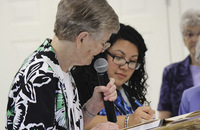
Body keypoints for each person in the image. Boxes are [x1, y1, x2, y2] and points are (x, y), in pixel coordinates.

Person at [5, 0, 120, 129]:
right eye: (102, 43)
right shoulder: (40, 77)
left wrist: (92, 107)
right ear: (82, 39)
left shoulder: (61, 69)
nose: (102, 49)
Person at [71, 23, 155, 129]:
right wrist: (128, 120)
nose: (125, 67)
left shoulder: (129, 93)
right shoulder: (77, 85)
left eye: (133, 61)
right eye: (119, 57)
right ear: (101, 53)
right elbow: (75, 121)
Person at [157, 8, 200, 119]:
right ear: (183, 39)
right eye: (189, 34)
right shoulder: (171, 72)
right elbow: (164, 117)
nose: (195, 39)